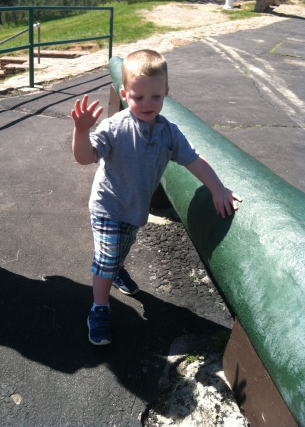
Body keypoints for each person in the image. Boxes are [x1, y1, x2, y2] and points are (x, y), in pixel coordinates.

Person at [71, 49, 242, 346]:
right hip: (108, 206)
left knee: (120, 252)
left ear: (166, 93)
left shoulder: (168, 133)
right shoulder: (115, 127)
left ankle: (118, 270)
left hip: (135, 211)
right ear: (125, 95)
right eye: (138, 98)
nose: (147, 104)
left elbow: (195, 161)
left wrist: (218, 188)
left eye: (155, 97)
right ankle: (99, 308)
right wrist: (81, 131)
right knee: (106, 257)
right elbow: (85, 157)